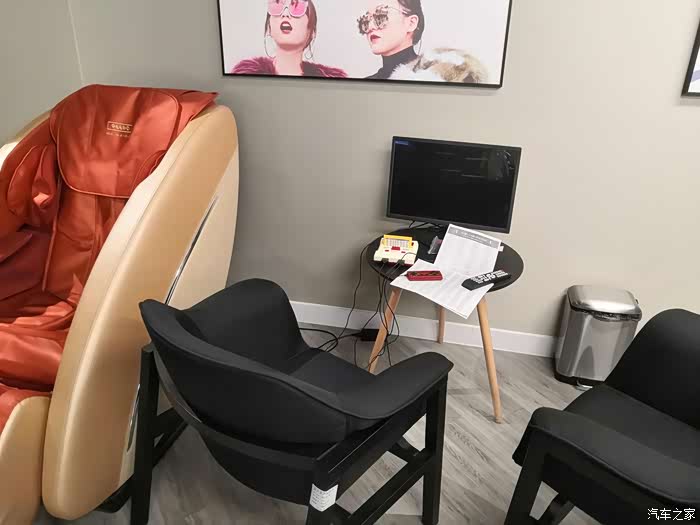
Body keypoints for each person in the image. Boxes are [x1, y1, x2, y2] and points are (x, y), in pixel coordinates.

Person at [358, 0, 488, 83]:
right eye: (366, 20)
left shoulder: (447, 76)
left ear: (411, 23)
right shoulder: (365, 84)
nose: (370, 26)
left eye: (381, 16)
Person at [232, 0, 346, 78]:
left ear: (312, 32)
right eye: (277, 7)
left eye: (297, 8)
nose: (285, 14)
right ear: (269, 28)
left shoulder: (332, 81)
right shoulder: (244, 74)